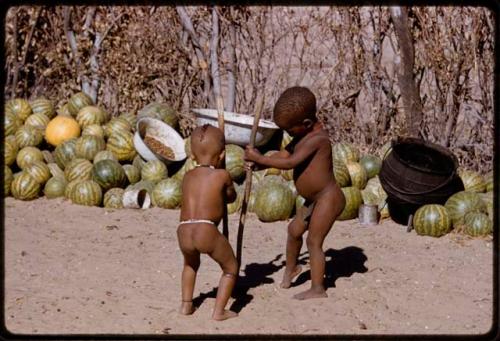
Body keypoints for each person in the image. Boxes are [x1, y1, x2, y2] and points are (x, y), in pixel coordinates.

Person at [244, 86, 346, 300]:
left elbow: (291, 162)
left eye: (290, 131)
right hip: (313, 199)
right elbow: (285, 153)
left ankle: (318, 288)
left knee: (314, 242)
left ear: (306, 124)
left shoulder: (318, 139)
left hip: (328, 198)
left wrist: (260, 159)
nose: (288, 135)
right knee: (294, 231)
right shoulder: (302, 136)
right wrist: (260, 164)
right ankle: (292, 268)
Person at [177, 124, 238, 320]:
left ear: (192, 156)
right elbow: (231, 198)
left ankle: (186, 305)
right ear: (221, 156)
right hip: (206, 228)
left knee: (190, 264)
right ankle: (219, 312)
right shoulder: (222, 175)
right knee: (231, 268)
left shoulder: (187, 176)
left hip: (183, 230)